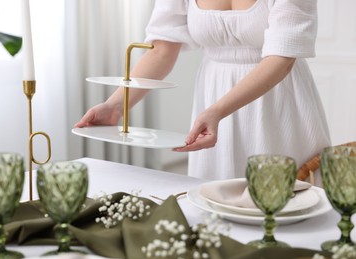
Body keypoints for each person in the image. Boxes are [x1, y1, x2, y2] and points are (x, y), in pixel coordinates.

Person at [75, 0, 331, 180]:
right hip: (213, 93)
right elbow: (162, 51)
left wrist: (218, 110)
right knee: (214, 201)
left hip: (277, 99)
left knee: (284, 202)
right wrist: (116, 105)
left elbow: (281, 58)